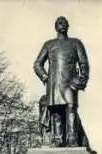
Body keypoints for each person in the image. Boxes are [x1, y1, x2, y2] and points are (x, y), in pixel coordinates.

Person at [33, 16, 90, 147]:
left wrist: (81, 80)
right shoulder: (49, 44)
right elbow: (37, 64)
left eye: (64, 22)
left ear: (68, 26)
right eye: (59, 23)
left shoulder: (76, 43)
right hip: (55, 84)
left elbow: (84, 64)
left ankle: (72, 139)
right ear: (56, 27)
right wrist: (45, 77)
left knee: (71, 110)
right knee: (56, 112)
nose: (62, 24)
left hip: (71, 84)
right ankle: (58, 140)